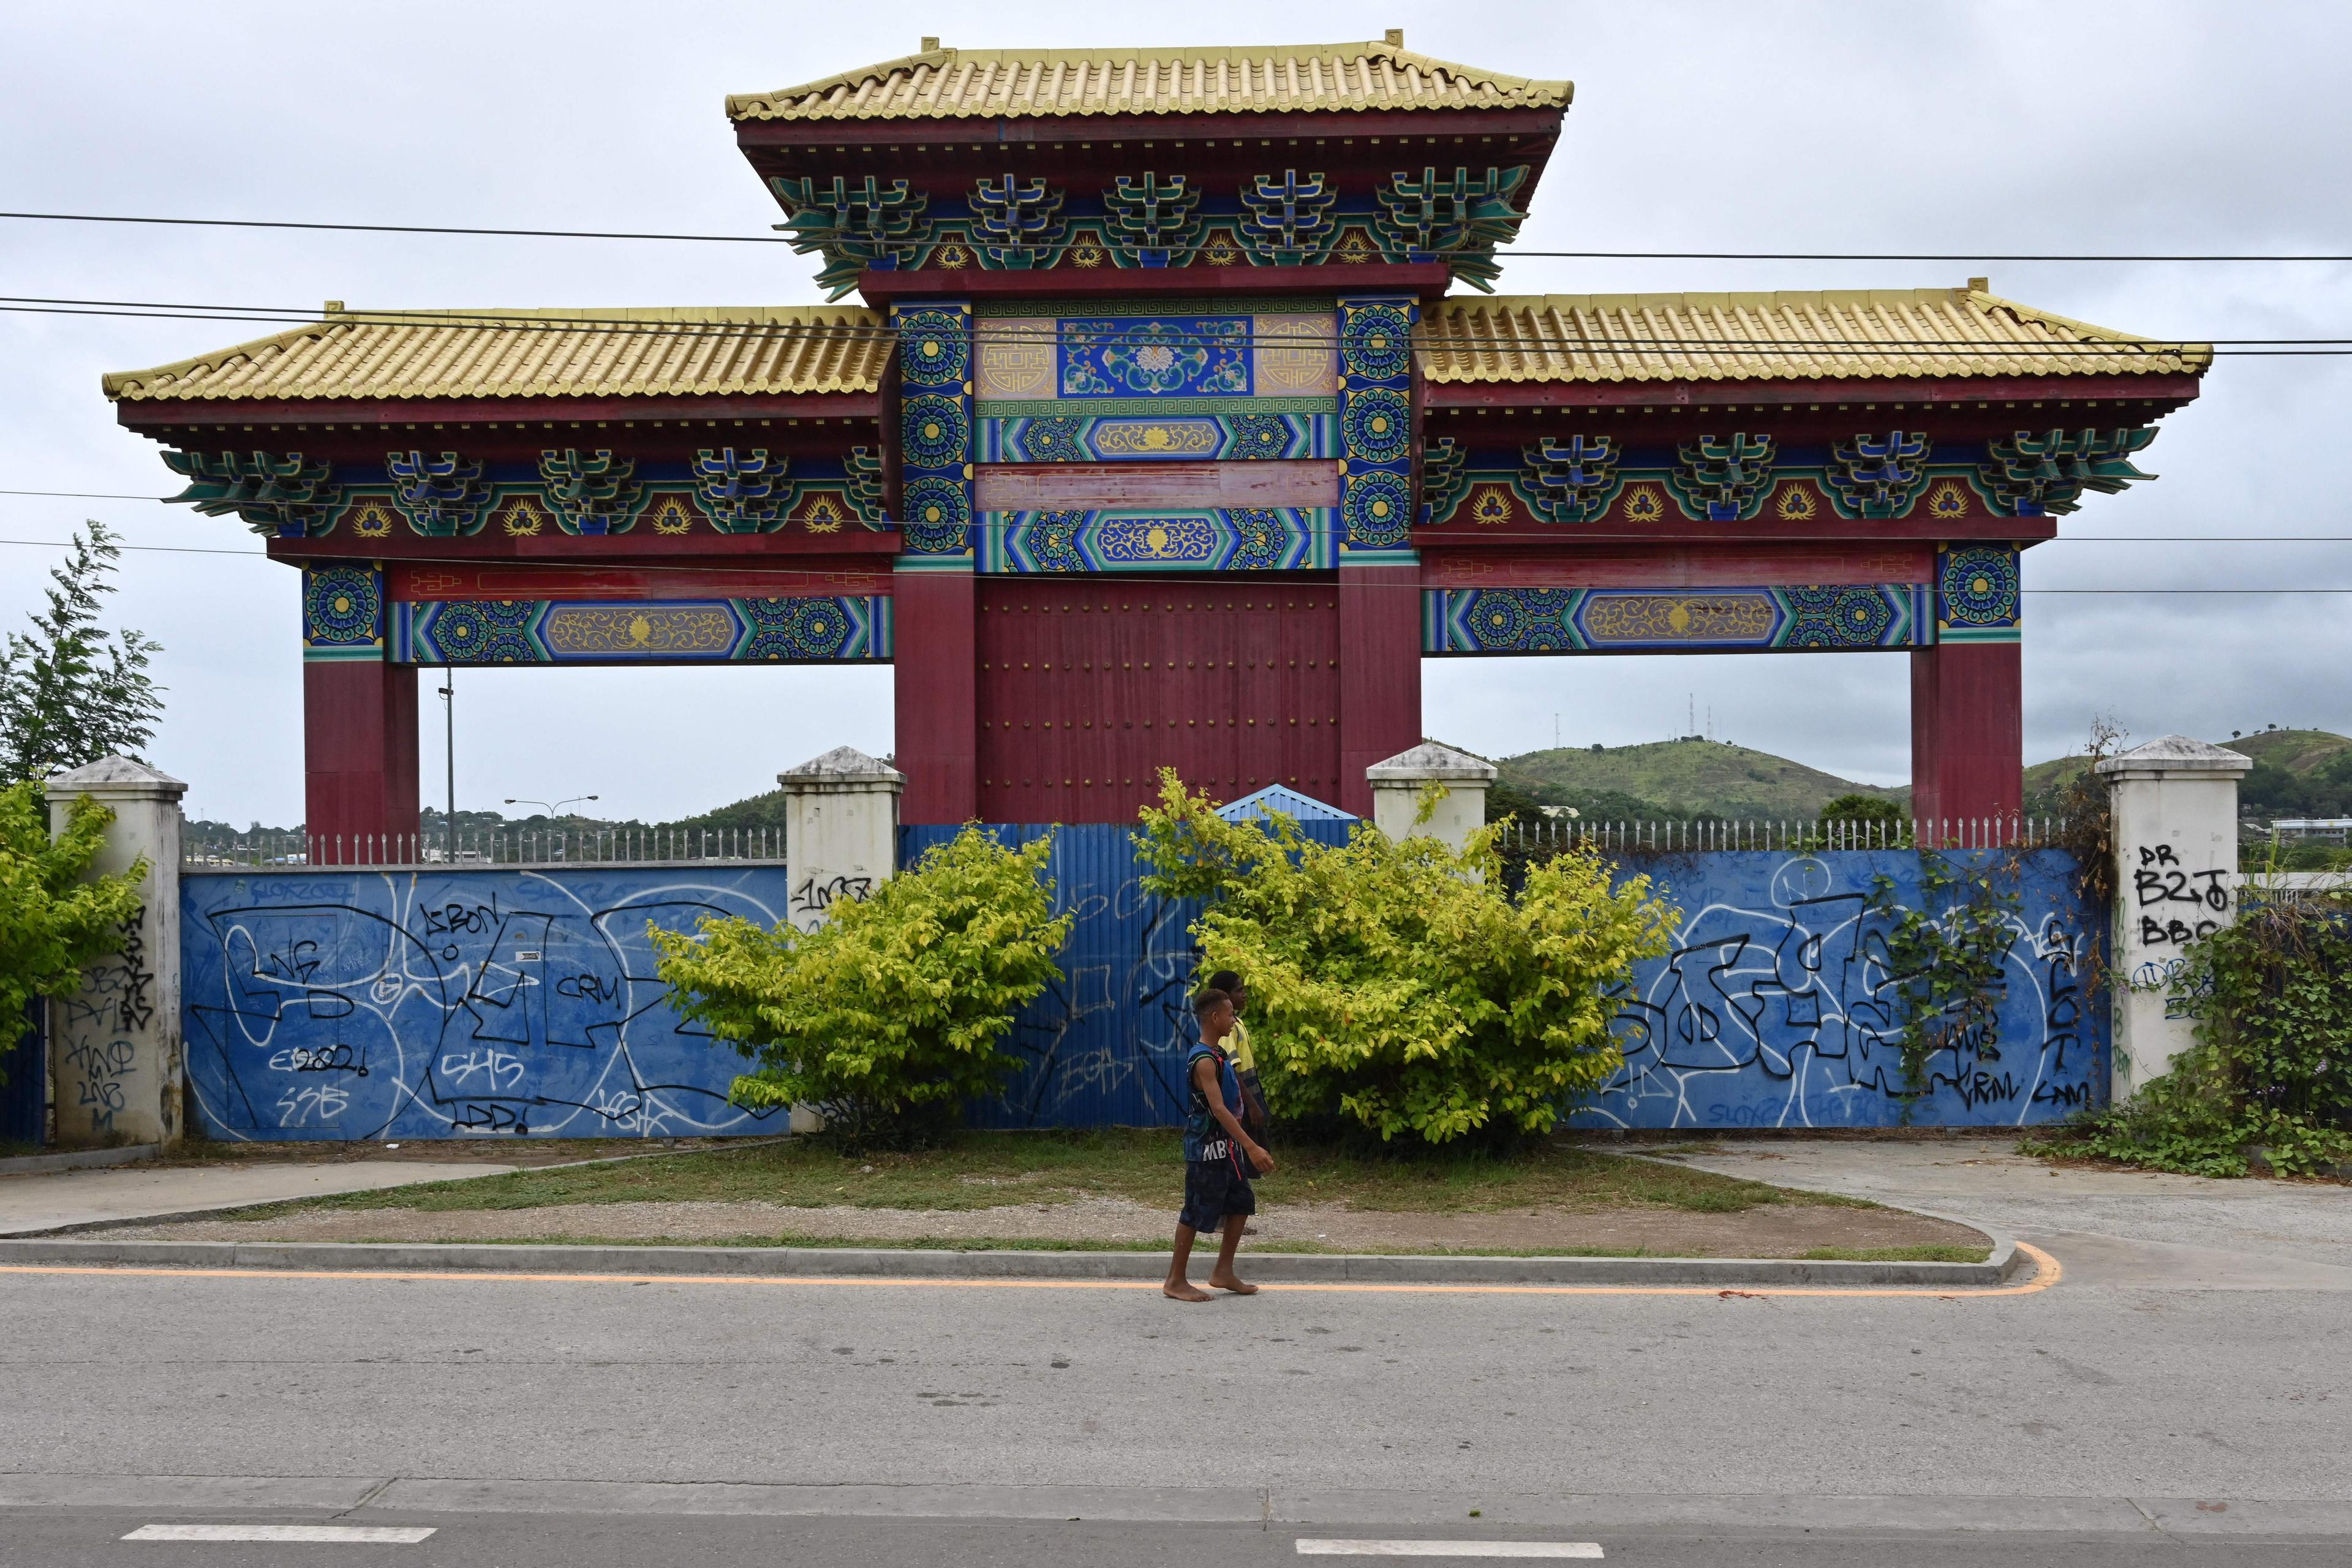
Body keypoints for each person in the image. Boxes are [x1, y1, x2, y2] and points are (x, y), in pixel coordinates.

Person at [1164, 986, 1274, 1303]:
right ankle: (1175, 1280)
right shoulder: (1203, 1060)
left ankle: (1223, 1271)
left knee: (1241, 1203)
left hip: (1227, 1148)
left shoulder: (1219, 1054)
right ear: (1214, 1017)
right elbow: (1219, 1110)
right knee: (1194, 1212)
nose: (1233, 1018)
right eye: (1229, 1013)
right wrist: (1252, 1147)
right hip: (1205, 1149)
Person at [1205, 968, 1268, 1142]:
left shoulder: (1237, 1022)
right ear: (1224, 996)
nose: (1245, 995)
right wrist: (1252, 1105)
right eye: (1239, 990)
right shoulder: (1227, 1029)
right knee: (1249, 1158)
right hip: (1242, 1104)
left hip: (1249, 1098)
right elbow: (1229, 1069)